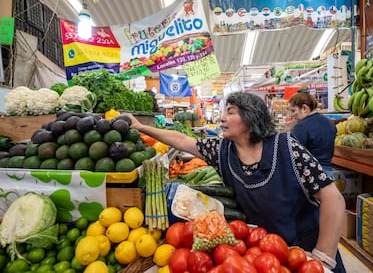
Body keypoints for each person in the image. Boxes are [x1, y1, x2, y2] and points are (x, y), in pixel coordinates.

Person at [124, 92, 345, 272]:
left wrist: (322, 258)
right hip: (264, 255)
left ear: (251, 117)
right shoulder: (222, 151)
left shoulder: (287, 147)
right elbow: (182, 140)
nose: (222, 119)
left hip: (305, 250)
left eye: (230, 112)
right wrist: (141, 127)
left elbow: (332, 199)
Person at [287, 91, 337, 177]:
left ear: (304, 108)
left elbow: (293, 154)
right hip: (328, 173)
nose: (292, 115)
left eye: (293, 110)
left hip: (310, 175)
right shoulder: (330, 123)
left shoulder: (302, 127)